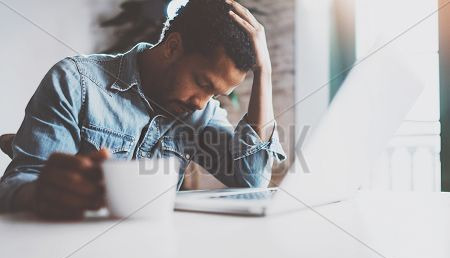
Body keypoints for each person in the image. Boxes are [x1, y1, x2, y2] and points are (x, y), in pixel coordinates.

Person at [0, 0, 286, 219]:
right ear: (173, 47)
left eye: (216, 94)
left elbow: (252, 184)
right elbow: (14, 187)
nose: (201, 102)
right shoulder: (76, 83)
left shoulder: (200, 115)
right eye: (201, 82)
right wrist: (40, 191)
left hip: (152, 257)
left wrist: (265, 73)